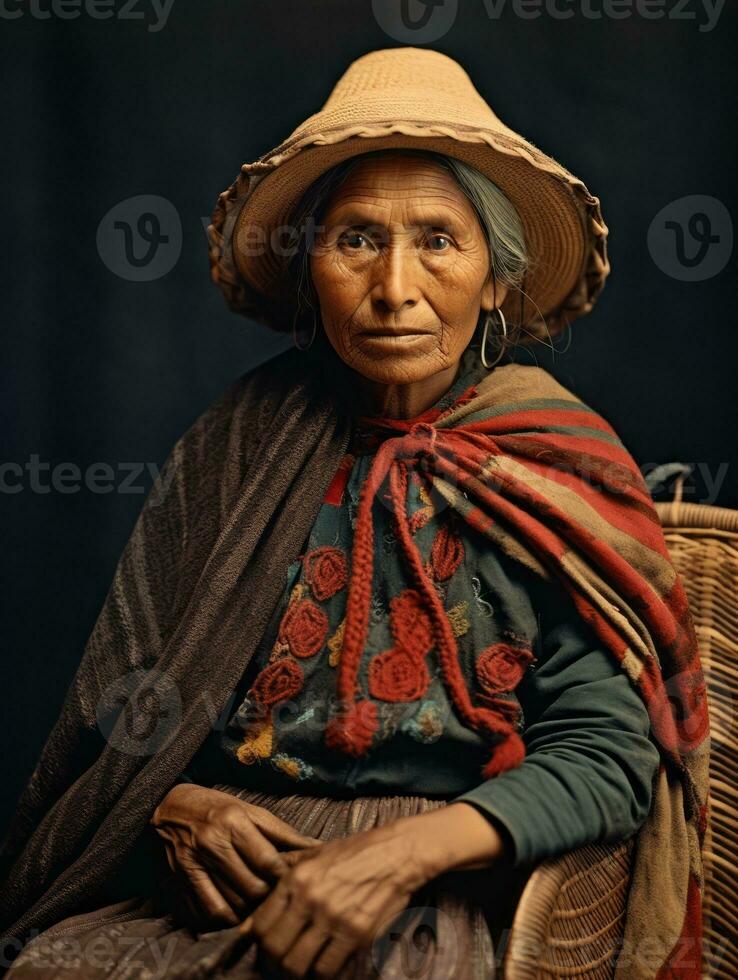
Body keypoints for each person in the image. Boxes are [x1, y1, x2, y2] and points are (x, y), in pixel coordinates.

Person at [0, 48, 709, 980]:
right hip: (221, 866)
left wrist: (397, 858)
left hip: (443, 874)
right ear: (309, 274)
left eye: (440, 241)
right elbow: (127, 711)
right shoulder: (241, 445)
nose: (396, 289)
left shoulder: (551, 458)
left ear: (496, 279)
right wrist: (169, 807)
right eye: (357, 239)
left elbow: (612, 755)